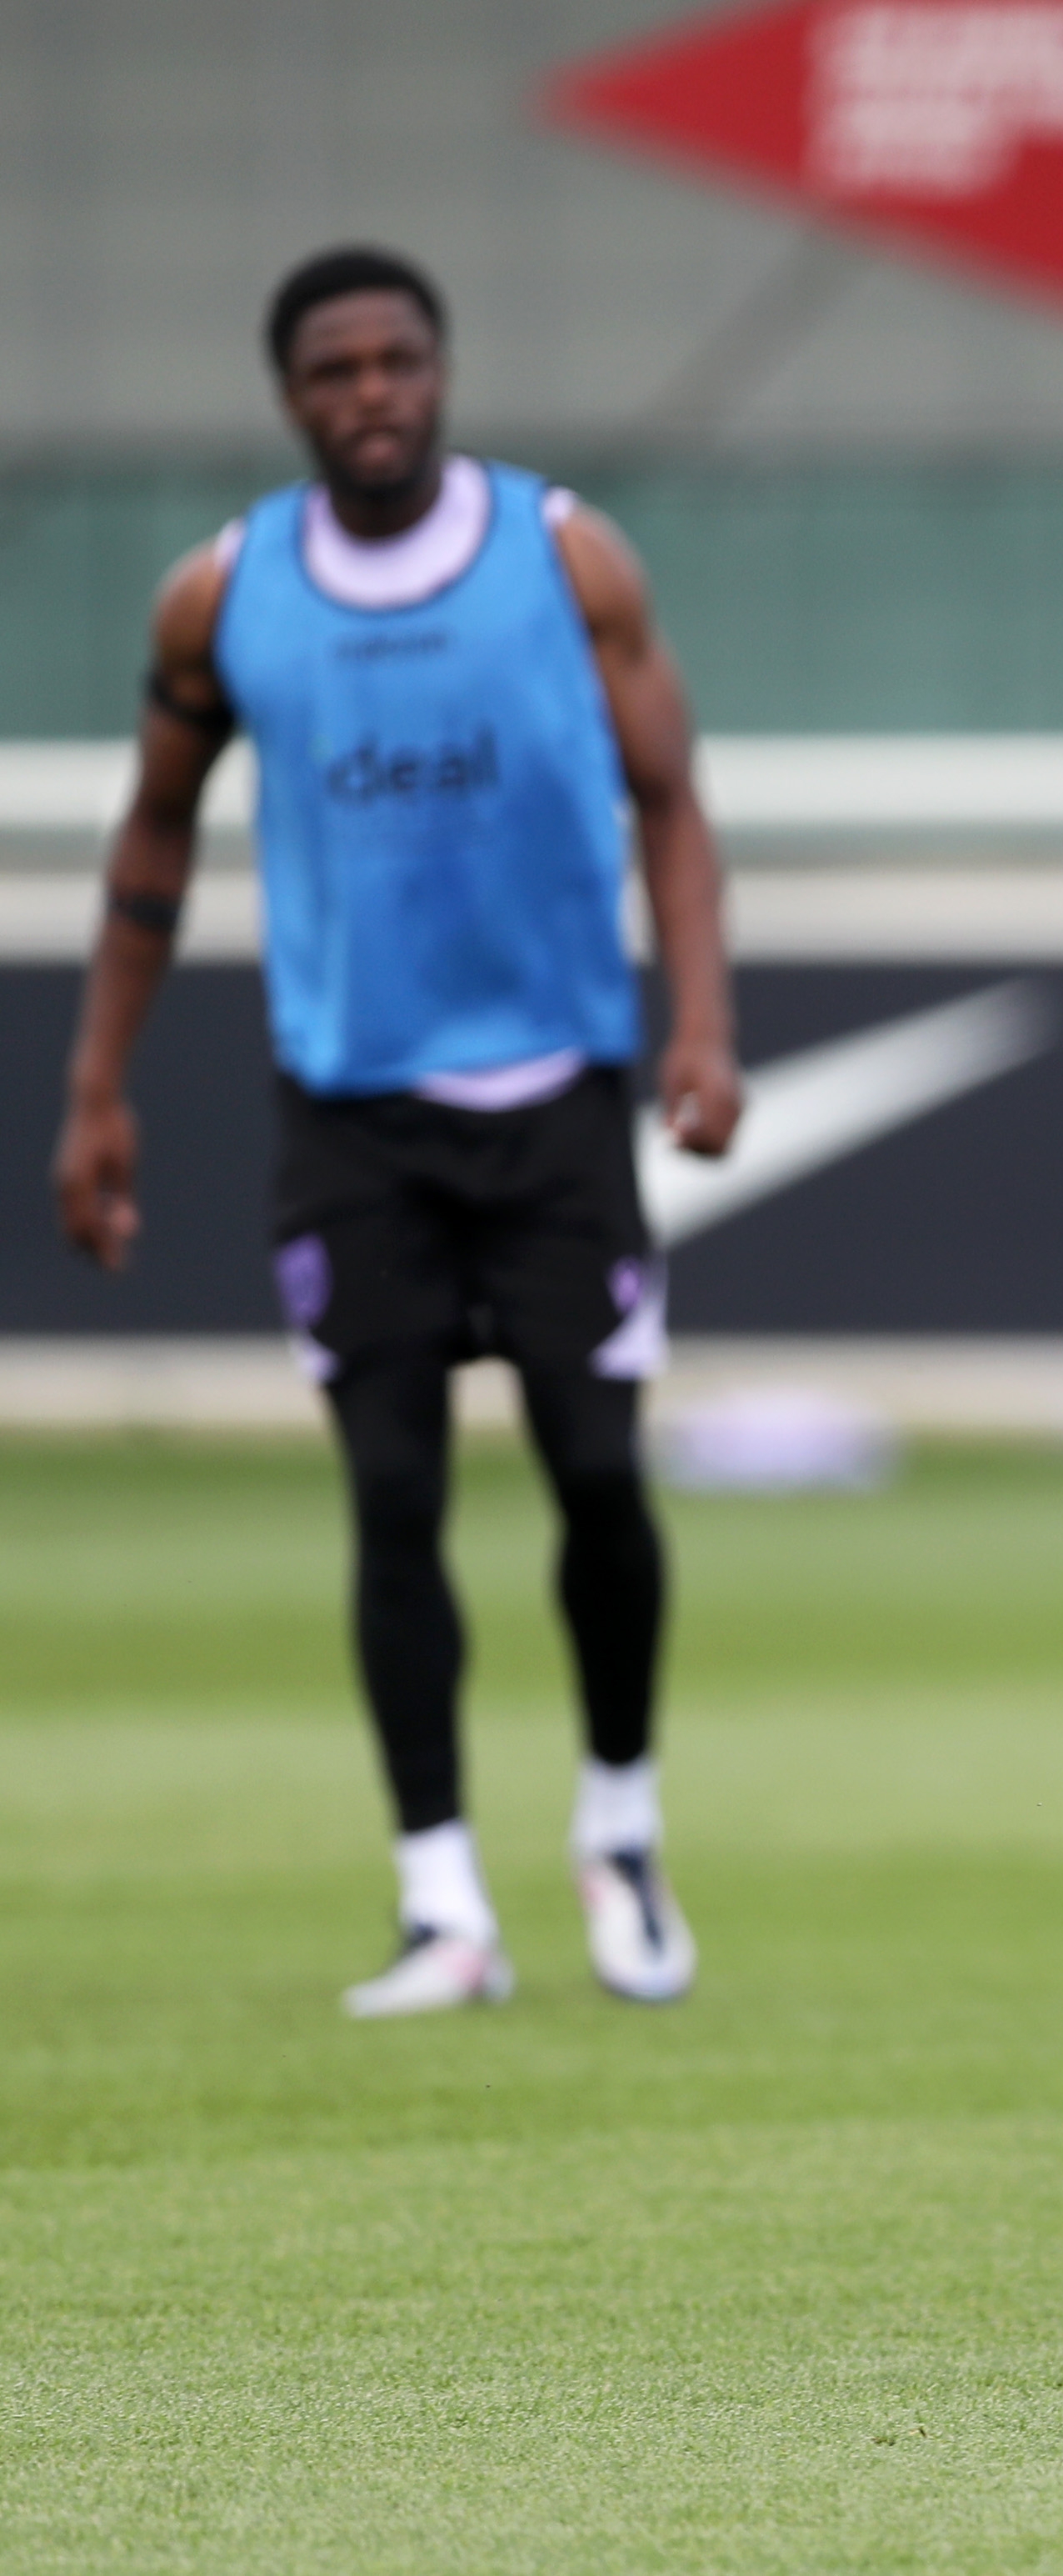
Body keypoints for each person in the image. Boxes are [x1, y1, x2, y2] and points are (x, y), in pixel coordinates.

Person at [49, 247, 736, 2016]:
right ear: (293, 399)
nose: (375, 393)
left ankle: (620, 1825)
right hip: (351, 1118)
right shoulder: (224, 600)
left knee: (598, 1473)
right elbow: (149, 843)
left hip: (560, 1100)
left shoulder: (564, 557)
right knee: (391, 1494)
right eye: (338, 370)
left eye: (400, 360)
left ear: (442, 370)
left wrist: (703, 1028)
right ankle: (443, 1899)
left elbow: (670, 797)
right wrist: (95, 1086)